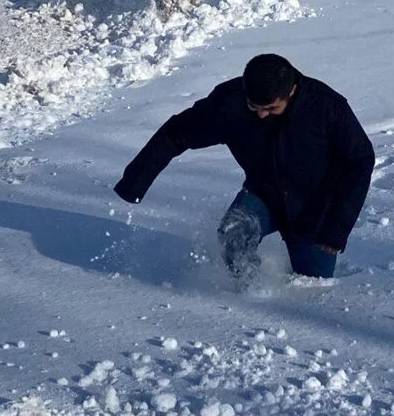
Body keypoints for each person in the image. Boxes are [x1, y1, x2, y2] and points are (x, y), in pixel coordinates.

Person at [114, 54, 375, 286]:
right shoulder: (229, 104)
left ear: (292, 91)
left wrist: (337, 228)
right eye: (254, 107)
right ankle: (252, 295)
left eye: (271, 108)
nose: (261, 115)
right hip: (264, 195)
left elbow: (360, 160)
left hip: (315, 208)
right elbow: (176, 134)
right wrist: (134, 182)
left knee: (313, 286)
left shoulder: (326, 106)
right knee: (233, 235)